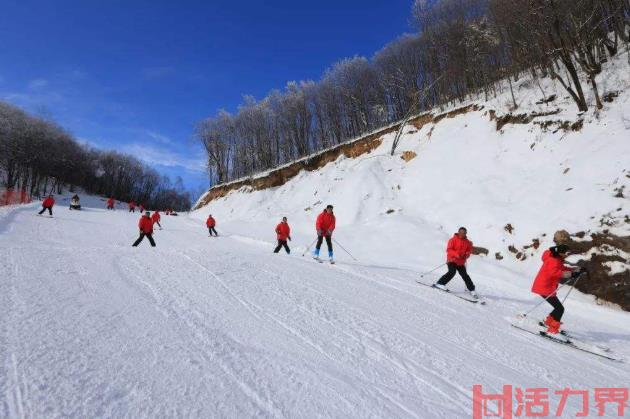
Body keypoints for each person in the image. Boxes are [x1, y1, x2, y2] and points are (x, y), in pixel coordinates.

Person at [531, 245, 583, 334]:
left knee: (558, 307)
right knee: (560, 309)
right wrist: (571, 274)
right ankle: (552, 330)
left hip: (546, 287)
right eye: (567, 253)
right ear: (561, 252)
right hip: (544, 287)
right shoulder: (553, 260)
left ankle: (548, 322)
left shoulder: (556, 259)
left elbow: (562, 268)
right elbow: (554, 273)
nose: (568, 255)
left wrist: (576, 270)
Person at [433, 227, 478, 298]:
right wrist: (456, 255)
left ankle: (472, 289)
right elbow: (449, 250)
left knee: (465, 275)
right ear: (458, 232)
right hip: (452, 260)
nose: (462, 234)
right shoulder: (452, 240)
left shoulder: (468, 242)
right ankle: (440, 283)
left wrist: (466, 255)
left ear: (466, 233)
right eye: (461, 232)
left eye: (464, 233)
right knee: (452, 272)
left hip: (461, 262)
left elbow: (469, 251)